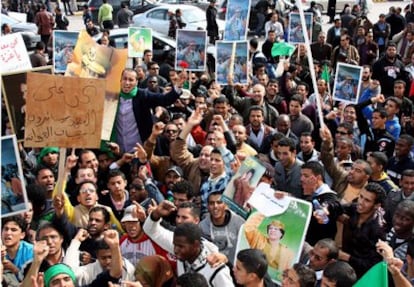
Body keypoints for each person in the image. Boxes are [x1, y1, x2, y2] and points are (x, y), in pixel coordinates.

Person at [113, 68, 185, 153]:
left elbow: (164, 99)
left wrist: (178, 86)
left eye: (131, 80)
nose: (127, 83)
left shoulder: (143, 95)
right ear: (120, 80)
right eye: (125, 79)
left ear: (136, 82)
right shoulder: (112, 96)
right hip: (118, 149)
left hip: (139, 149)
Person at [339, 182, 387, 278]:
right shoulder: (355, 208)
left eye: (367, 200)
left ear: (377, 205)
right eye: (361, 196)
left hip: (362, 276)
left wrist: (347, 257)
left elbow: (373, 264)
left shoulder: (378, 230)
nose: (361, 202)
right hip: (343, 267)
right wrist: (326, 209)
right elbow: (337, 207)